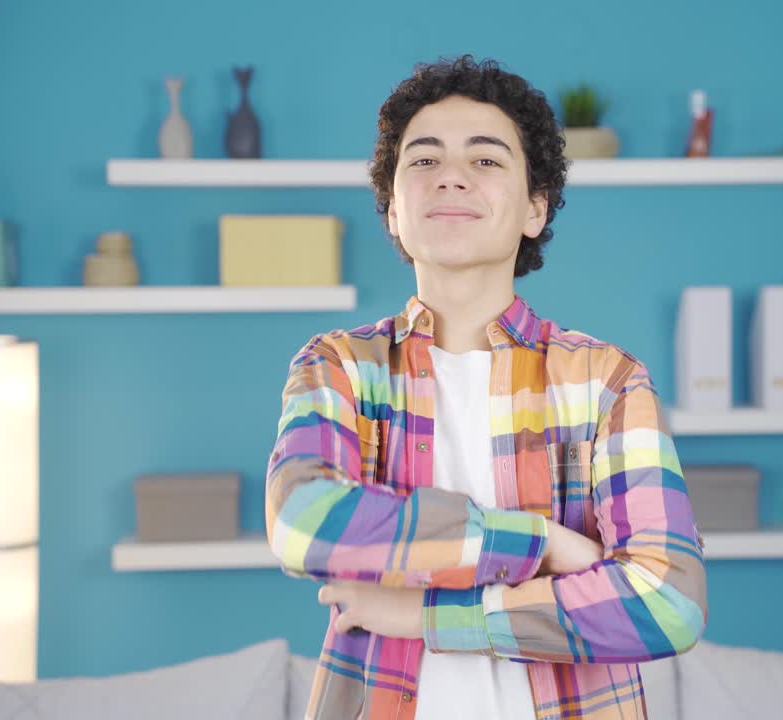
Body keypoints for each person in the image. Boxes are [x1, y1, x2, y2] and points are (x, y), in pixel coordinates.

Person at [265, 54, 708, 720]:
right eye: (423, 160)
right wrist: (539, 542)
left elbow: (669, 604)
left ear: (535, 208)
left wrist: (429, 614)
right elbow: (305, 525)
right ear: (392, 212)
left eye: (486, 160)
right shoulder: (339, 367)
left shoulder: (607, 382)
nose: (450, 177)